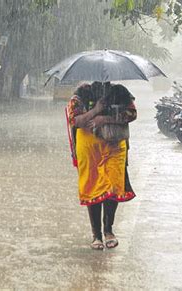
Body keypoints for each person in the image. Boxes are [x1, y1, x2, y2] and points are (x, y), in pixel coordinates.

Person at [66, 82, 137, 250]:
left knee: (113, 186)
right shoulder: (81, 92)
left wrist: (105, 119)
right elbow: (74, 120)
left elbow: (132, 114)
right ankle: (96, 235)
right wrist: (96, 110)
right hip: (89, 149)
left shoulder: (120, 91)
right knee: (93, 187)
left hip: (114, 146)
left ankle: (109, 230)